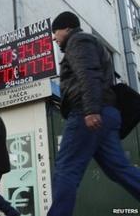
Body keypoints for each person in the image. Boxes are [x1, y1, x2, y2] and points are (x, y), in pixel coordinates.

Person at [48, 11, 140, 216]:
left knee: (66, 169)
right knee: (120, 170)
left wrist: (90, 110)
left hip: (86, 113)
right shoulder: (86, 42)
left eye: (55, 32)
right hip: (106, 113)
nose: (54, 38)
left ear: (67, 28)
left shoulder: (78, 41)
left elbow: (88, 73)